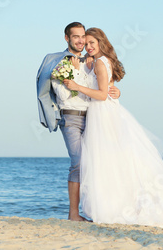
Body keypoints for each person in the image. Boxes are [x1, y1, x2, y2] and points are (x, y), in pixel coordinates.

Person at [63, 28, 163, 230]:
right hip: (104, 112)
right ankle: (118, 205)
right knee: (115, 162)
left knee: (107, 161)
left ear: (101, 43)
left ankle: (115, 208)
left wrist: (77, 86)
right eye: (87, 42)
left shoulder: (101, 63)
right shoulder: (97, 62)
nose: (89, 46)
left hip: (103, 113)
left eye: (93, 42)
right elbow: (106, 88)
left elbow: (101, 94)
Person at [36, 22, 120, 221]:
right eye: (76, 37)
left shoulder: (91, 60)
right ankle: (73, 214)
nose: (81, 41)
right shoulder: (55, 60)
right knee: (78, 163)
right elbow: (53, 92)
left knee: (96, 163)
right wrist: (50, 115)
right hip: (71, 117)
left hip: (93, 117)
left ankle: (99, 209)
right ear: (67, 38)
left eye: (83, 37)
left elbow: (102, 86)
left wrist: (115, 91)